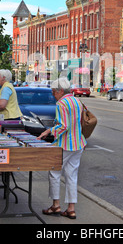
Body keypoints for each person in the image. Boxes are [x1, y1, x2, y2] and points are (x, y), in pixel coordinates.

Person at [38, 77, 87, 220]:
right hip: (78, 143)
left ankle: (56, 205)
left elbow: (63, 126)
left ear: (60, 91)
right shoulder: (76, 100)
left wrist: (49, 131)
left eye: (53, 92)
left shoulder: (61, 103)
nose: (53, 95)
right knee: (72, 175)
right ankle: (71, 209)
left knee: (54, 172)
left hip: (65, 144)